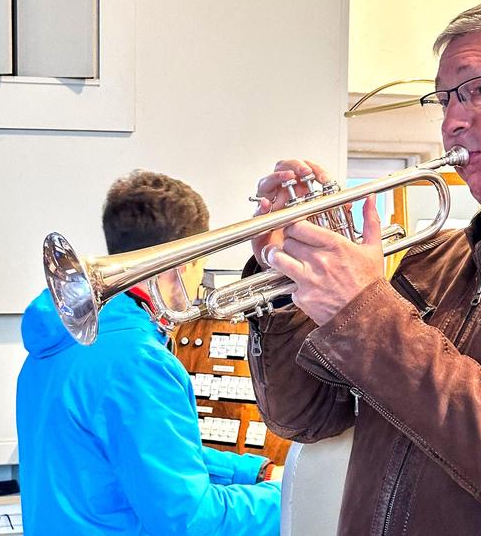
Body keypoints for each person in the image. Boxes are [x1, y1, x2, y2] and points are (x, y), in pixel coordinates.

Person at [245, 0, 481, 535]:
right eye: (444, 99)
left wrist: (364, 313)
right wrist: (287, 280)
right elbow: (308, 416)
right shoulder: (434, 260)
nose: (451, 122)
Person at [16, 170, 282, 535]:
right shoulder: (137, 362)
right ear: (182, 262)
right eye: (199, 265)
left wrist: (250, 472)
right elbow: (192, 523)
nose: (198, 281)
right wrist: (288, 493)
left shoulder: (59, 340)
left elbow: (135, 456)